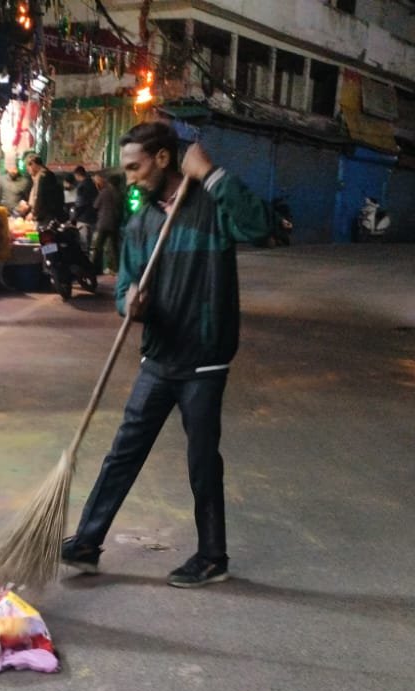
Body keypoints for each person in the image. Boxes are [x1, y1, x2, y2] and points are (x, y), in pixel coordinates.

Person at [60, 122, 270, 588]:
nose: (130, 178)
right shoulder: (141, 223)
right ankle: (87, 543)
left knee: (201, 461)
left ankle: (212, 557)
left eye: (136, 167)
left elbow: (260, 226)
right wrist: (130, 303)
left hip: (204, 360)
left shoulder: (212, 209)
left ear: (162, 158)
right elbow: (125, 288)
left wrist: (212, 174)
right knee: (123, 452)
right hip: (157, 358)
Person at [90, 171, 123, 275]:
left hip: (103, 223)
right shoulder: (119, 193)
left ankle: (93, 269)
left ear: (109, 182)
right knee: (114, 248)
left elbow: (95, 205)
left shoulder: (104, 192)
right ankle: (116, 269)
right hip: (114, 224)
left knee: (97, 247)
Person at [20, 155, 67, 226]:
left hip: (45, 217)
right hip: (45, 215)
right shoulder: (42, 176)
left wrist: (33, 213)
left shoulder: (43, 176)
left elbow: (39, 197)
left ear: (33, 164)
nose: (28, 171)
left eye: (28, 168)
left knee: (38, 232)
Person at [72, 165, 99, 249]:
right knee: (92, 245)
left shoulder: (81, 186)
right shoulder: (93, 185)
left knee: (83, 244)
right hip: (93, 218)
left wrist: (74, 217)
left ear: (77, 175)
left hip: (83, 219)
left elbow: (80, 204)